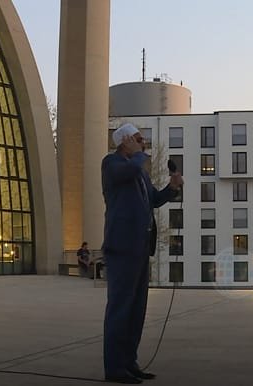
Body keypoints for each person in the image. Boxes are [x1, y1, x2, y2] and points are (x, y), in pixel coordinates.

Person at [101, 123, 183, 384]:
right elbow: (131, 168)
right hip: (121, 248)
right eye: (138, 138)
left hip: (139, 247)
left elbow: (153, 200)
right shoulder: (111, 163)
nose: (143, 142)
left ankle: (129, 363)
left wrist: (172, 187)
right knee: (120, 308)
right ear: (124, 141)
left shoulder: (139, 173)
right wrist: (138, 154)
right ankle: (114, 367)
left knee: (136, 311)